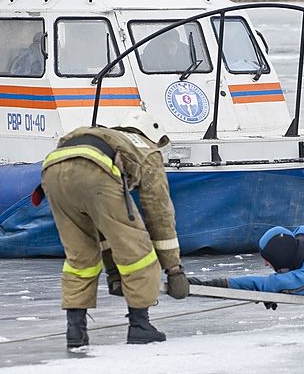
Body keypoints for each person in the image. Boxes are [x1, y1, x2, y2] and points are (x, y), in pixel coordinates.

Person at [35, 108, 190, 350]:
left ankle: (75, 332)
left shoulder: (107, 137)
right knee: (139, 253)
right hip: (94, 172)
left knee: (80, 256)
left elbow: (105, 229)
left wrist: (114, 273)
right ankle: (140, 326)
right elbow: (158, 213)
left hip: (52, 170)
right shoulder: (149, 151)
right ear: (154, 135)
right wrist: (173, 269)